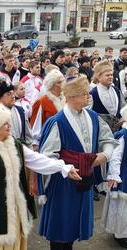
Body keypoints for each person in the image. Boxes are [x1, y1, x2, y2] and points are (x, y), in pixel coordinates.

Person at [0, 103, 81, 250]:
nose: (9, 126)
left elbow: (37, 160)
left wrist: (63, 167)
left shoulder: (15, 144)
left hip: (14, 208)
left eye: (9, 123)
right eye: (5, 124)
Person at [37, 75, 118, 250]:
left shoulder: (93, 116)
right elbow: (46, 156)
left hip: (85, 177)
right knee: (60, 228)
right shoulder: (57, 122)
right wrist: (65, 167)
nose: (89, 96)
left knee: (74, 224)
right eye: (84, 93)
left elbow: (108, 139)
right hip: (63, 182)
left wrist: (105, 155)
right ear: (72, 97)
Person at [101, 104, 127, 248]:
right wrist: (114, 175)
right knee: (122, 206)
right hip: (124, 175)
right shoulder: (122, 135)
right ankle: (120, 234)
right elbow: (116, 157)